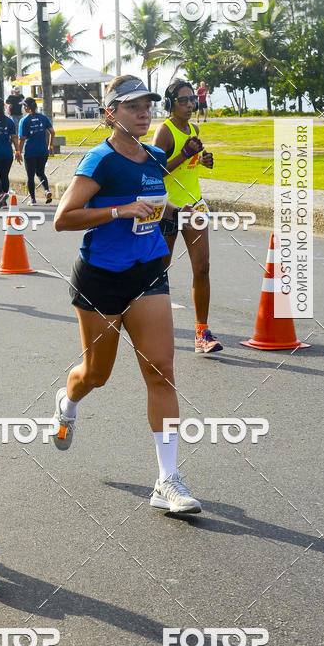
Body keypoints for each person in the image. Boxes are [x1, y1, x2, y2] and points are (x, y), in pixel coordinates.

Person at [51, 75, 201, 514]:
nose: (143, 111)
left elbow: (152, 199)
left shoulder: (154, 156)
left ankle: (167, 480)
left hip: (148, 272)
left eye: (147, 104)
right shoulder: (99, 160)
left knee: (161, 369)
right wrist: (118, 211)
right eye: (132, 106)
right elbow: (64, 218)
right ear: (110, 114)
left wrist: (177, 209)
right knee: (97, 374)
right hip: (101, 279)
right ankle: (68, 400)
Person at [152, 79, 222, 355]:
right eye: (184, 100)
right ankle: (149, 321)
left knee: (202, 268)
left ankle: (202, 332)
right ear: (170, 105)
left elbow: (192, 164)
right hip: (168, 208)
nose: (191, 104)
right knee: (159, 271)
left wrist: (204, 160)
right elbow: (155, 174)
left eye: (192, 99)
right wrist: (183, 155)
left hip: (194, 205)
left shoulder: (194, 128)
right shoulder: (164, 133)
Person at [17, 97, 54, 205]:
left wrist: (18, 152)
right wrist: (50, 146)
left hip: (30, 152)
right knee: (41, 173)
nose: (23, 107)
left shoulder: (24, 120)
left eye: (24, 105)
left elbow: (22, 139)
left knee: (30, 176)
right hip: (43, 151)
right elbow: (52, 132)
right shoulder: (43, 118)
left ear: (27, 107)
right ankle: (47, 190)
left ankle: (33, 199)